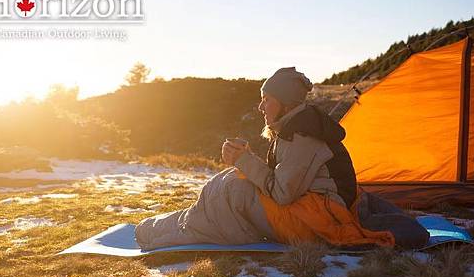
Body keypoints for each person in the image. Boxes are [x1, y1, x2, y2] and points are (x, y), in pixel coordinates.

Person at [135, 67, 429, 250]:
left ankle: (159, 233)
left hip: (316, 217)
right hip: (316, 204)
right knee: (229, 183)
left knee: (231, 192)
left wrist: (244, 161)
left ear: (285, 103)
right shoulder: (294, 126)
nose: (261, 106)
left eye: (267, 99)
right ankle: (169, 225)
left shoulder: (302, 136)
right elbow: (283, 178)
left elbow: (283, 193)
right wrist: (246, 159)